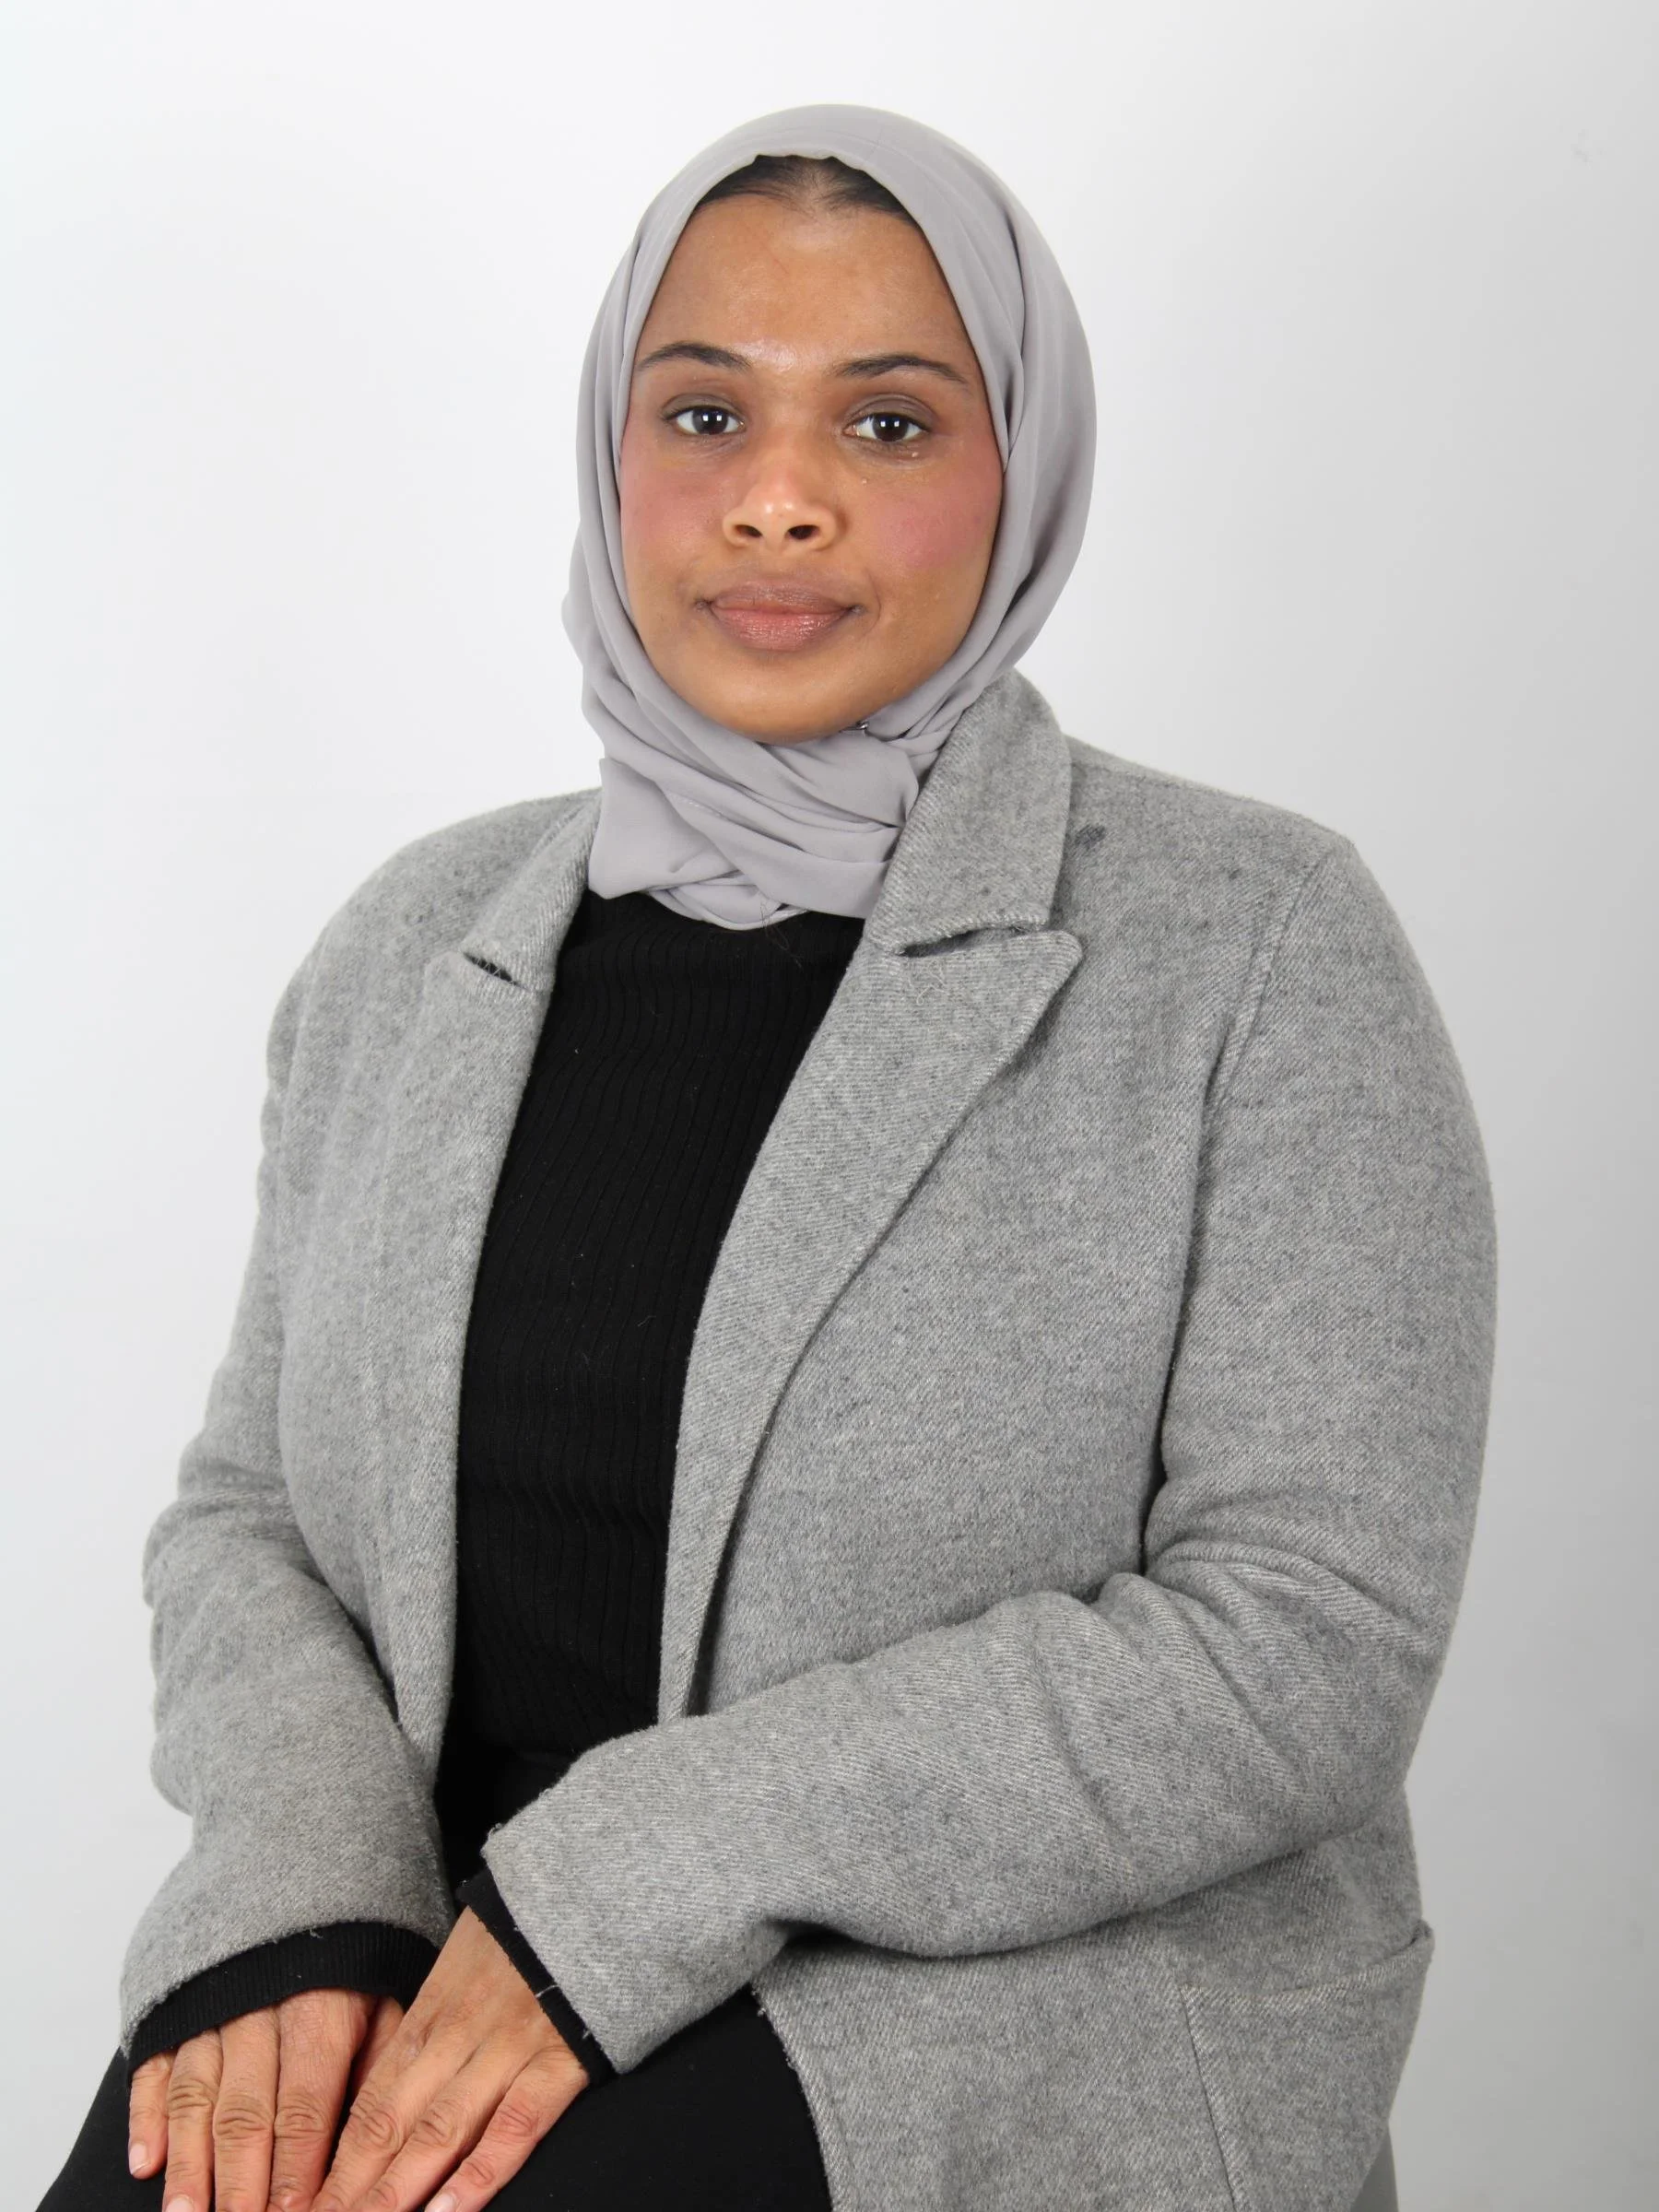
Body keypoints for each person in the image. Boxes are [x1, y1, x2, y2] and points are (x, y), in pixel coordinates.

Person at [39, 104, 1495, 2212]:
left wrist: (639, 1873)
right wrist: (301, 1894)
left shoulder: (1254, 945)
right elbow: (248, 1513)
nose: (779, 498)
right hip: (458, 1946)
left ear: (1024, 475)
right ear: (609, 450)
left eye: (888, 426)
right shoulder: (408, 944)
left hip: (997, 1999)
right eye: (704, 412)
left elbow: (1304, 1636)